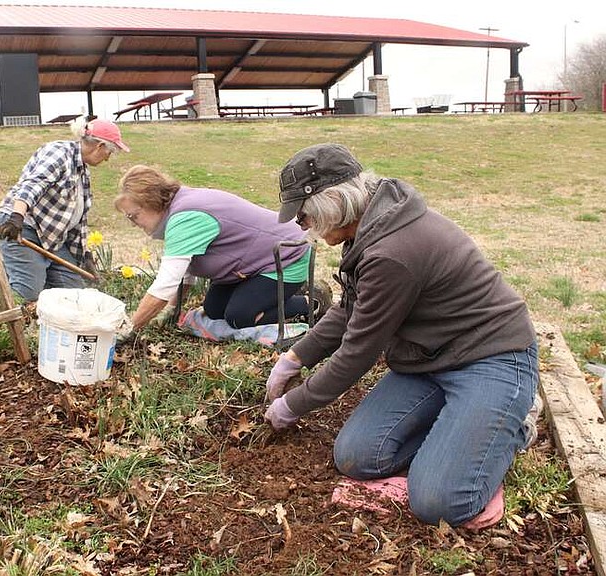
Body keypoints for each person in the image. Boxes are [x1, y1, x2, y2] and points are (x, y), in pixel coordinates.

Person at [264, 143, 539, 530]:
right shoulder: (374, 222)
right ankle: (464, 430)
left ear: (333, 203)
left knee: (440, 502)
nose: (302, 226)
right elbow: (350, 309)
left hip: (491, 358)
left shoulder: (392, 250)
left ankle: (509, 431)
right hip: (429, 359)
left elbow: (357, 352)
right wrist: (296, 357)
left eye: (305, 215)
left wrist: (293, 404)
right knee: (357, 457)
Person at [114, 164, 330, 333]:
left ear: (151, 201)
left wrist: (129, 329)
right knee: (214, 310)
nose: (133, 222)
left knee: (238, 317)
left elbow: (164, 287)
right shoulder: (178, 209)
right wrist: (172, 309)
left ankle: (312, 303)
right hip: (254, 264)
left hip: (287, 257)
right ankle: (279, 296)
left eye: (134, 215)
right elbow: (185, 272)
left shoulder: (186, 218)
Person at [0, 117, 129, 301]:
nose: (108, 158)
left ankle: (25, 283)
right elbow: (33, 184)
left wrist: (83, 255)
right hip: (24, 229)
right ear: (100, 146)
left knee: (73, 295)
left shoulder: (82, 171)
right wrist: (16, 218)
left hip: (51, 239)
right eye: (110, 152)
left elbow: (74, 218)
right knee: (25, 293)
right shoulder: (59, 153)